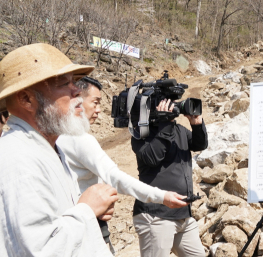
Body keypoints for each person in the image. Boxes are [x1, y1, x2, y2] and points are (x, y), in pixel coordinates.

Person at [0, 43, 119, 257]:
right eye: (63, 84)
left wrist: (86, 213)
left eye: (73, 83)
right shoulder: (15, 161)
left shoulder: (45, 150)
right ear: (27, 99)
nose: (76, 92)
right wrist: (86, 211)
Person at [130, 95, 217, 257]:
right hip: (155, 215)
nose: (173, 108)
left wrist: (197, 122)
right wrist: (165, 125)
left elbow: (199, 144)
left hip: (182, 213)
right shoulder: (142, 131)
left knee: (195, 255)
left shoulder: (179, 129)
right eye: (167, 105)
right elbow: (150, 157)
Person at [57, 76, 189, 210]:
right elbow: (115, 177)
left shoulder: (57, 136)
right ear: (76, 100)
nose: (99, 110)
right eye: (95, 102)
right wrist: (162, 196)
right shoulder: (80, 139)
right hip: (84, 216)